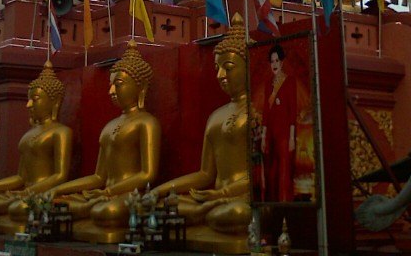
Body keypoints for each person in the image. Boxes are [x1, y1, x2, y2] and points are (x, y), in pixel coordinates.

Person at [152, 13, 251, 249]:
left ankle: (206, 214)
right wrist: (159, 190)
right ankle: (205, 213)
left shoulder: (259, 112)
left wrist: (222, 195)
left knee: (235, 213)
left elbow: (261, 174)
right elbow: (206, 174)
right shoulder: (215, 116)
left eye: (228, 68)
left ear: (250, 66)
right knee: (162, 207)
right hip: (214, 198)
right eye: (217, 68)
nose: (220, 76)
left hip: (244, 198)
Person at [50, 39, 161, 243]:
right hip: (103, 195)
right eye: (110, 85)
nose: (111, 91)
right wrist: (59, 189)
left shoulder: (147, 123)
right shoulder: (109, 126)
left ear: (140, 87)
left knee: (107, 211)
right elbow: (98, 177)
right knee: (55, 204)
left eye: (118, 85)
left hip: (128, 196)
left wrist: (109, 192)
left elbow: (148, 174)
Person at [0, 61, 72, 230]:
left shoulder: (61, 132)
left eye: (35, 99)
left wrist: (28, 193)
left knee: (19, 207)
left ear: (54, 102)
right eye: (29, 99)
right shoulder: (28, 135)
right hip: (24, 192)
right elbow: (21, 177)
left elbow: (60, 175)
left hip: (42, 192)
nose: (29, 105)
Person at [261, 44, 297, 202]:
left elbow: (292, 111)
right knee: (271, 173)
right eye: (272, 61)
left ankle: (285, 205)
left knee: (284, 173)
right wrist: (263, 137)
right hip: (270, 134)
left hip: (284, 135)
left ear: (282, 63)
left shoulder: (290, 82)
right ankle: (272, 207)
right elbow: (265, 111)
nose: (274, 64)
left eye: (277, 61)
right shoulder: (268, 84)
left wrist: (291, 138)